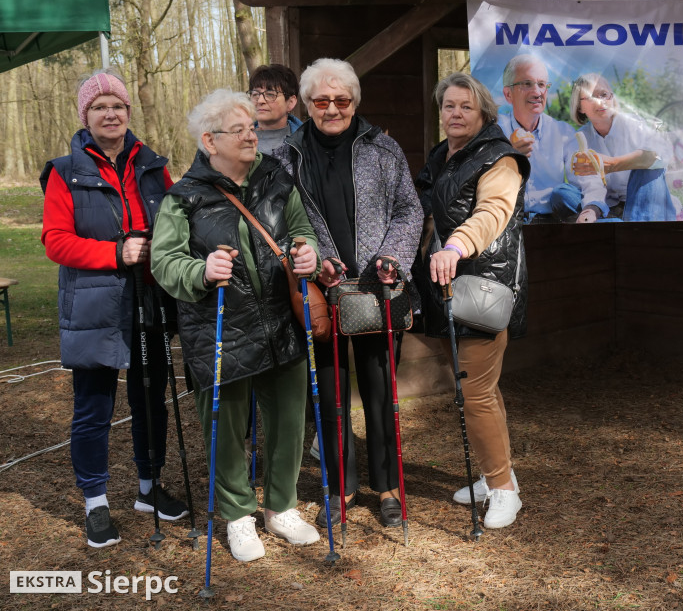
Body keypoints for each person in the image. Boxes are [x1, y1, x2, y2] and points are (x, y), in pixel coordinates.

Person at [150, 89, 321, 562]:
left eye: (252, 127)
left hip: (280, 322)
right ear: (210, 140)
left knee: (288, 420)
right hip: (220, 326)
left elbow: (303, 231)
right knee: (226, 427)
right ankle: (239, 516)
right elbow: (164, 262)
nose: (252, 135)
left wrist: (308, 253)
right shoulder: (184, 197)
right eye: (239, 129)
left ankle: (281, 507)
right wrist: (201, 272)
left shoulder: (276, 178)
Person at [272, 58, 423, 530]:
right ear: (309, 104)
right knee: (331, 396)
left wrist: (392, 258)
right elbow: (280, 227)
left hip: (380, 288)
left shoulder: (383, 148)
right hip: (324, 293)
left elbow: (408, 210)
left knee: (382, 391)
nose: (332, 108)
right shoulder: (286, 157)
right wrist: (315, 263)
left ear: (354, 102)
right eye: (322, 100)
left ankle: (390, 485)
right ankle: (341, 488)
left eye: (342, 100)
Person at [40, 69, 188, 549]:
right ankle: (96, 503)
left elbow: (174, 223)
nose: (111, 113)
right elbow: (56, 241)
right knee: (93, 405)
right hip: (95, 303)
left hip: (149, 300)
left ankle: (149, 487)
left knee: (151, 398)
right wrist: (114, 253)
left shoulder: (152, 165)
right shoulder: (65, 171)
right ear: (86, 115)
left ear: (128, 113)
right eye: (100, 106)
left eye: (118, 105)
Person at [415, 71, 529, 529]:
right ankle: (495, 473)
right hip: (444, 289)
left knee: (476, 393)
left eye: (465, 106)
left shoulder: (499, 158)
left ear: (482, 112)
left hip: (481, 287)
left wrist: (456, 245)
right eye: (448, 106)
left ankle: (503, 490)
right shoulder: (443, 156)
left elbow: (493, 212)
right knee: (476, 389)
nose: (455, 113)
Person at [567, 73, 676, 223]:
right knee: (564, 195)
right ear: (579, 107)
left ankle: (636, 234)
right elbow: (592, 186)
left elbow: (662, 154)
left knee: (647, 169)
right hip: (612, 208)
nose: (601, 102)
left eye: (605, 94)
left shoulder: (634, 124)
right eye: (591, 96)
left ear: (612, 98)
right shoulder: (581, 139)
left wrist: (612, 164)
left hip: (648, 202)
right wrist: (589, 211)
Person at [496, 54, 579, 222]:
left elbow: (581, 183)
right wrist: (507, 154)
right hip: (507, 224)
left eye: (542, 85)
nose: (537, 92)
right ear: (508, 94)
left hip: (553, 223)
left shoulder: (563, 132)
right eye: (527, 84)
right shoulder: (494, 131)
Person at [248, 63, 302, 155]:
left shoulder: (307, 142)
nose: (260, 101)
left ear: (291, 102)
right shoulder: (239, 140)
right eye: (255, 94)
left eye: (270, 95)